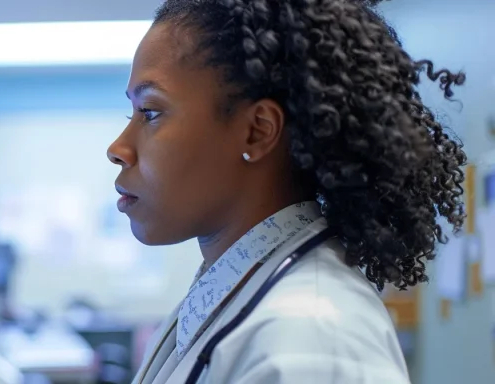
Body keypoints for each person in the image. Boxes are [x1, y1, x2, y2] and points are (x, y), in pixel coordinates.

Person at [106, 0, 467, 383]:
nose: (118, 148)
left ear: (257, 130)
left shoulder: (312, 338)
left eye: (151, 112)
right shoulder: (236, 291)